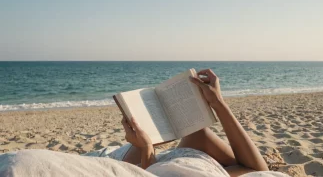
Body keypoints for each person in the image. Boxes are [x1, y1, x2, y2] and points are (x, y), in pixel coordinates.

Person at [0, 69, 288, 177]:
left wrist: (148, 147)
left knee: (19, 165)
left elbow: (146, 174)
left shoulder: (217, 165)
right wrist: (217, 103)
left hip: (144, 162)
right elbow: (256, 168)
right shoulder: (204, 143)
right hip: (152, 157)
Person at [119, 69, 286, 177]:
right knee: (199, 132)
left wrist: (147, 147)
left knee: (198, 132)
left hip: (147, 165)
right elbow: (259, 171)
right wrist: (218, 103)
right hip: (193, 163)